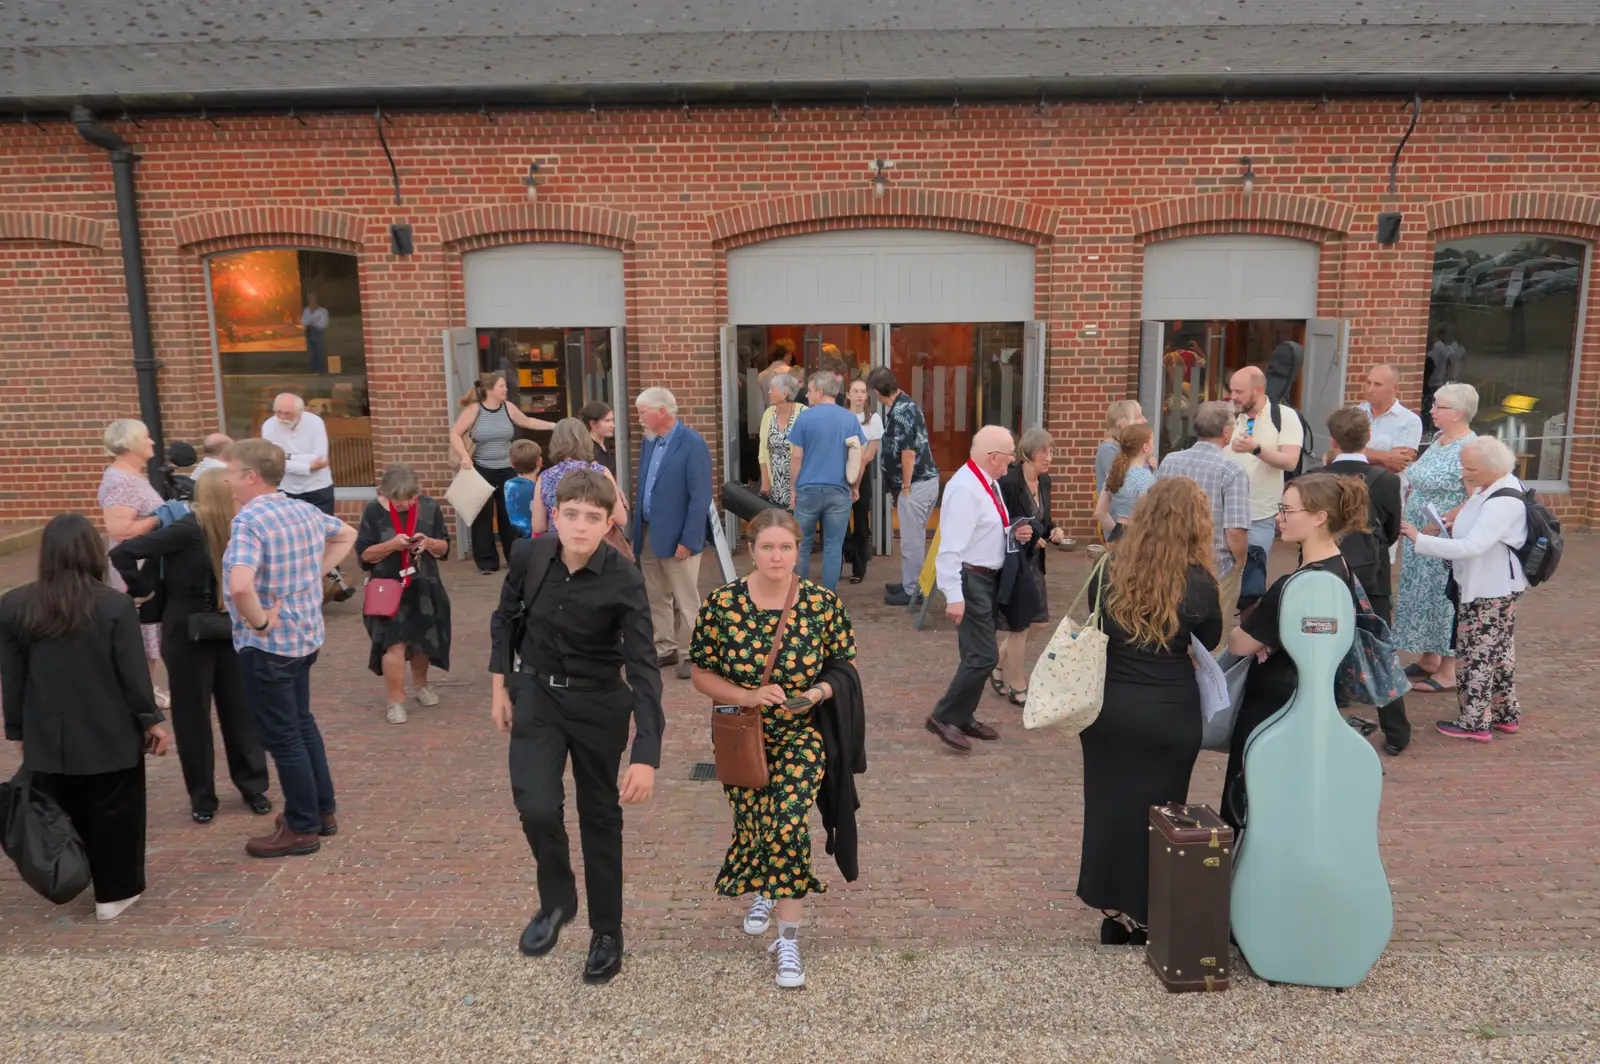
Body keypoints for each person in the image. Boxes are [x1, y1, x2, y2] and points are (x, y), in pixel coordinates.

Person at [489, 469, 662, 985]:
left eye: (592, 518)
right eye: (570, 515)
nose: (580, 527)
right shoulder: (530, 555)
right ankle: (558, 898)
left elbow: (644, 666)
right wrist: (499, 686)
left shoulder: (624, 578)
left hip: (598, 705)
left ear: (609, 523)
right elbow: (504, 616)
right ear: (555, 514)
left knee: (599, 819)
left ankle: (607, 933)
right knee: (536, 805)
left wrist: (646, 752)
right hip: (537, 696)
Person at [689, 508, 859, 989]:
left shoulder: (821, 604)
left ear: (798, 549)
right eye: (768, 547)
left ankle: (788, 940)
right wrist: (747, 696)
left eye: (786, 547)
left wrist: (816, 694)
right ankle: (765, 883)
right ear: (751, 549)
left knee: (786, 826)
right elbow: (701, 672)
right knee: (754, 824)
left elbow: (842, 666)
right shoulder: (722, 604)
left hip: (802, 736)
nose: (777, 556)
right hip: (741, 734)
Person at [0, 514, 172, 922]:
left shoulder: (15, 604)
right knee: (116, 812)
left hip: (48, 730)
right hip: (108, 728)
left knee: (58, 812)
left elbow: (13, 675)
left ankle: (69, 875)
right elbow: (131, 672)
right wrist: (151, 720)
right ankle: (114, 892)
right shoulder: (113, 604)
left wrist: (19, 730)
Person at [1078, 478, 1222, 944]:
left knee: (1107, 808)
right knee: (1161, 812)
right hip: (1169, 710)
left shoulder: (1108, 569)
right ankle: (1145, 912)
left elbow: (1094, 620)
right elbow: (1211, 638)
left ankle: (1112, 910)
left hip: (1111, 708)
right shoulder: (1199, 581)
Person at [109, 471, 272, 822]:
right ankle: (203, 797)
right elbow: (125, 551)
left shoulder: (243, 527)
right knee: (191, 716)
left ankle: (253, 786)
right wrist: (141, 590)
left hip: (232, 629)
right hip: (186, 633)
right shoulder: (186, 529)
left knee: (240, 711)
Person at [222, 439, 357, 858]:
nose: (226, 481)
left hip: (270, 645)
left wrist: (259, 620)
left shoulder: (249, 521)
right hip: (304, 637)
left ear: (251, 476)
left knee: (284, 736)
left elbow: (240, 584)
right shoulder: (302, 509)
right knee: (301, 724)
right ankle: (321, 810)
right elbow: (346, 532)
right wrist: (309, 574)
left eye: (230, 472)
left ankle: (301, 827)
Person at [1223, 474, 1370, 829]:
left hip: (1274, 707)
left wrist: (1248, 634)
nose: (1280, 518)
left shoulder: (1295, 585)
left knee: (1251, 808)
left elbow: (1240, 643)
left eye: (1288, 510)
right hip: (1312, 703)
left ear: (1319, 517)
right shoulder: (1341, 570)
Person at [1401, 436, 1529, 742]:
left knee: (1476, 654)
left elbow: (1475, 545)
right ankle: (1505, 714)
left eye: (1469, 468)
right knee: (1498, 652)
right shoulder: (1491, 487)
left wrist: (1420, 539)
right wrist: (1444, 524)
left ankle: (1475, 723)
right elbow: (1473, 523)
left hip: (1489, 588)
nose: (1463, 474)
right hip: (1492, 584)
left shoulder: (1504, 500)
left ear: (1491, 466)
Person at [925, 426, 1034, 752]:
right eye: (1009, 455)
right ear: (992, 457)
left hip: (985, 578)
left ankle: (963, 715)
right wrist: (954, 596)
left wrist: (1011, 532)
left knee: (974, 654)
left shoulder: (985, 482)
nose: (1012, 461)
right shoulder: (966, 489)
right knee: (983, 655)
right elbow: (950, 548)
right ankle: (944, 716)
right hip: (972, 579)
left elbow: (985, 527)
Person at [1325, 407, 1411, 755]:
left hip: (1326, 571)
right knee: (1379, 651)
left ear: (1332, 440)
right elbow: (1391, 532)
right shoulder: (1385, 480)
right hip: (1371, 575)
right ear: (1369, 438)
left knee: (1322, 645)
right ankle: (1396, 731)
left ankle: (1326, 718)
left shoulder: (1317, 478)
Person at [1394, 383, 1478, 694]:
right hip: (1419, 534)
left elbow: (1476, 496)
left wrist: (1446, 519)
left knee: (1443, 598)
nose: (1432, 411)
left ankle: (1448, 669)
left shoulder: (1470, 447)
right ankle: (1429, 658)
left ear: (1457, 413)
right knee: (1423, 596)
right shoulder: (1441, 439)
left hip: (1442, 534)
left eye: (1439, 406)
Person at [355, 466, 452, 726]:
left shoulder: (429, 506)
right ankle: (395, 701)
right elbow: (364, 554)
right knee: (393, 643)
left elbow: (444, 547)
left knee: (422, 640)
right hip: (388, 587)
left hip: (424, 584)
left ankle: (421, 686)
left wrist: (428, 543)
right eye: (400, 502)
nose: (406, 504)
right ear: (385, 494)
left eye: (411, 499)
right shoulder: (373, 512)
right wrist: (392, 546)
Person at [631, 387, 712, 680]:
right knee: (656, 595)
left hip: (679, 535)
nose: (639, 418)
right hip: (650, 531)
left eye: (643, 412)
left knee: (686, 597)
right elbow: (643, 487)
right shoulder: (649, 442)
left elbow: (700, 496)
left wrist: (689, 540)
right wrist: (636, 532)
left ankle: (692, 653)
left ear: (661, 412)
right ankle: (664, 647)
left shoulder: (692, 443)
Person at [1156, 401, 1250, 639]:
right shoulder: (1231, 470)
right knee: (1209, 641)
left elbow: (1153, 511)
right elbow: (1235, 530)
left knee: (1169, 631)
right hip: (1215, 567)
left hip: (1168, 561)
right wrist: (1240, 563)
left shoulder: (1170, 461)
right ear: (1226, 433)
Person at [450, 372, 557, 575]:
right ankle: (486, 563)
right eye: (501, 386)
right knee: (483, 515)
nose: (505, 389)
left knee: (510, 514)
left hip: (507, 467)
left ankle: (513, 556)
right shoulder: (475, 409)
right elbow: (455, 434)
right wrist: (464, 456)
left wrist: (553, 426)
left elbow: (527, 421)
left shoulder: (508, 408)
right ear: (490, 390)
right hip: (480, 468)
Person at [993, 428, 1069, 705]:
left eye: (1051, 452)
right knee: (1021, 625)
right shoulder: (1010, 482)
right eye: (1042, 452)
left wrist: (1054, 530)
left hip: (1035, 564)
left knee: (1039, 621)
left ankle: (997, 664)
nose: (1048, 458)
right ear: (1027, 452)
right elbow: (1000, 522)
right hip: (1015, 562)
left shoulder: (1044, 481)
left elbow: (1043, 521)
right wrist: (1025, 535)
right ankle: (1016, 683)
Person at [98, 418, 168, 708]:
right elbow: (121, 529)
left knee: (148, 630)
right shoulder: (120, 481)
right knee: (141, 629)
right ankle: (141, 694)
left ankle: (146, 688)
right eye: (147, 438)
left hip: (144, 563)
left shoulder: (132, 477)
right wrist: (164, 517)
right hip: (134, 568)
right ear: (129, 445)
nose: (153, 443)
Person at [1226, 366, 1305, 613]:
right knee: (1220, 584)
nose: (1233, 396)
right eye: (1231, 390)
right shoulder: (1227, 415)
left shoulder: (1284, 416)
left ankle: (1247, 645)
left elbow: (1290, 461)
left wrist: (1255, 449)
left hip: (1259, 516)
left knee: (1252, 589)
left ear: (1258, 389)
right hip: (1222, 516)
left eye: (1239, 391)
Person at [261, 394, 354, 603]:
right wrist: (304, 464)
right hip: (286, 488)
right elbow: (272, 459)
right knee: (291, 538)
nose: (282, 417)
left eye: (287, 413)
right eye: (278, 412)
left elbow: (320, 458)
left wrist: (288, 458)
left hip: (317, 487)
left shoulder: (315, 423)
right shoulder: (268, 426)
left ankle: (329, 582)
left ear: (300, 412)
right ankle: (298, 585)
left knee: (323, 535)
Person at [868, 366, 940, 607]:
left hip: (916, 485)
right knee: (914, 537)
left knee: (911, 541)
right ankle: (911, 582)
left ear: (877, 391)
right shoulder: (905, 403)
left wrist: (906, 487)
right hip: (923, 483)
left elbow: (908, 453)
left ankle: (913, 592)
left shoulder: (900, 412)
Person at [788, 371, 866, 591]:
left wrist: (792, 488)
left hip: (808, 491)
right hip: (839, 491)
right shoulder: (849, 418)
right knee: (833, 547)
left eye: (810, 391)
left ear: (820, 392)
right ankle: (829, 599)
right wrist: (855, 486)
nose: (807, 396)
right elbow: (859, 458)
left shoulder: (804, 417)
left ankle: (799, 597)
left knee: (801, 546)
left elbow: (796, 457)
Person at [530, 419, 628, 539]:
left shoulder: (545, 477)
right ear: (585, 441)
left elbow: (538, 526)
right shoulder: (601, 472)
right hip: (595, 544)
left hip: (560, 545)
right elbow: (621, 519)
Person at [844, 377, 884, 585]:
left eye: (863, 391)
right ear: (848, 394)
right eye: (855, 391)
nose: (860, 395)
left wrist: (856, 482)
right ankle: (847, 553)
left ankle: (859, 569)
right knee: (840, 523)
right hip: (840, 474)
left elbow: (868, 455)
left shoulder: (874, 419)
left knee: (860, 522)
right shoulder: (841, 417)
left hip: (862, 472)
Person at [1357, 364, 1423, 474]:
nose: (1370, 389)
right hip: (1351, 487)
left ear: (1395, 388)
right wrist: (1384, 457)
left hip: (1386, 486)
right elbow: (1337, 453)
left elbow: (1396, 466)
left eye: (1378, 385)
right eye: (1368, 383)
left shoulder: (1410, 421)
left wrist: (1356, 457)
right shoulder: (1354, 413)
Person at [1094, 423, 1156, 539]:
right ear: (1145, 447)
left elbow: (1100, 513)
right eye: (1153, 442)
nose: (1154, 446)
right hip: (1138, 538)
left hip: (1118, 533)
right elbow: (1146, 515)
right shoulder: (1146, 478)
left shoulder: (1115, 473)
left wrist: (1117, 533)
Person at [758, 372, 802, 508]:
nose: (769, 392)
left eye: (773, 389)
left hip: (799, 483)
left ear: (785, 394)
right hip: (775, 483)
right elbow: (762, 451)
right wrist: (765, 480)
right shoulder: (768, 413)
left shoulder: (803, 413)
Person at [1095, 400, 1145, 494]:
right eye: (1138, 417)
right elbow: (1122, 485)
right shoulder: (1108, 450)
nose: (1144, 420)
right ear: (1121, 422)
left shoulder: (1128, 447)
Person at [1422, 325, 1466, 433]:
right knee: (1434, 405)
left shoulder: (1442, 347)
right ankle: (1431, 428)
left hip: (1439, 380)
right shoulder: (1439, 347)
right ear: (1442, 335)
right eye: (1446, 335)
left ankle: (1433, 427)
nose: (1448, 337)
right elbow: (1451, 355)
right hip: (1434, 381)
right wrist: (1457, 345)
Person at [502, 439, 544, 540]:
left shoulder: (508, 485)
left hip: (518, 539)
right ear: (539, 462)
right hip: (538, 540)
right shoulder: (540, 488)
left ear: (511, 464)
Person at [580, 401, 618, 479]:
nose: (612, 425)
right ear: (593, 424)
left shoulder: (608, 445)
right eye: (607, 421)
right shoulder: (587, 449)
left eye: (612, 420)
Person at [301, 292, 328, 375]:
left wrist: (312, 322)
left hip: (318, 331)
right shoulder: (306, 310)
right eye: (309, 298)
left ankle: (320, 369)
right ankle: (313, 369)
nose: (310, 300)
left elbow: (324, 323)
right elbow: (303, 322)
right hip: (309, 331)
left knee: (319, 350)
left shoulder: (322, 311)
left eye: (312, 298)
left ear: (316, 299)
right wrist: (311, 322)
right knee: (311, 351)